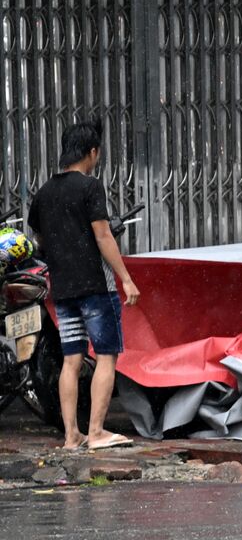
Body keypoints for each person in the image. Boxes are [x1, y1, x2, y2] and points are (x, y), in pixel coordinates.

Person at [26, 118, 141, 450]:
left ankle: (70, 436)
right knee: (106, 355)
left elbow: (40, 239)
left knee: (71, 360)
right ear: (92, 152)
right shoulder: (90, 187)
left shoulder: (44, 192)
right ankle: (96, 432)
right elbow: (103, 235)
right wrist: (127, 279)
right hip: (95, 288)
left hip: (63, 290)